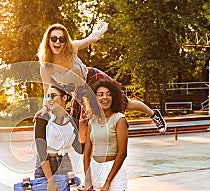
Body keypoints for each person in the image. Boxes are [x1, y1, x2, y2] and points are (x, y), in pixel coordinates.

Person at [36, 22, 167, 138]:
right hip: (79, 90)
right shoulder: (46, 66)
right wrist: (44, 108)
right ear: (48, 41)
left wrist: (103, 28)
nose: (57, 42)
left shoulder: (72, 48)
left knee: (126, 103)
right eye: (53, 39)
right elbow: (46, 90)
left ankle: (153, 114)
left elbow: (92, 38)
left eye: (61, 39)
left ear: (66, 41)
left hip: (92, 78)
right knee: (76, 122)